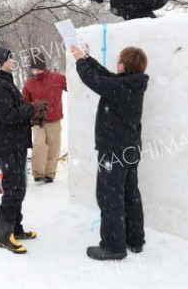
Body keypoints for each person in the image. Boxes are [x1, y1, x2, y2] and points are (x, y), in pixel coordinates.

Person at [70, 44, 148, 261]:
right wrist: (87, 57)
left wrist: (79, 60)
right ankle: (135, 239)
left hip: (113, 151)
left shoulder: (119, 87)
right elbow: (105, 76)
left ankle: (113, 247)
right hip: (130, 149)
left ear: (124, 65)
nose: (117, 63)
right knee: (130, 193)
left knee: (110, 197)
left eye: (120, 60)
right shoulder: (132, 83)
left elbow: (94, 80)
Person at [0, 46, 47, 254]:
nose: (13, 60)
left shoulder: (4, 82)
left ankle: (15, 229)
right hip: (8, 145)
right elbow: (7, 116)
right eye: (10, 58)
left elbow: (11, 114)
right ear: (0, 61)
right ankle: (4, 236)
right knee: (13, 189)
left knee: (19, 188)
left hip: (15, 143)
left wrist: (32, 114)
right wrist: (32, 107)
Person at [22, 55, 67, 183]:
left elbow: (73, 88)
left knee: (54, 147)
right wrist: (30, 114)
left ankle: (50, 174)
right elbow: (25, 102)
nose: (35, 72)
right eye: (33, 70)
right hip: (38, 121)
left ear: (43, 67)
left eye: (38, 69)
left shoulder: (57, 78)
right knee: (39, 146)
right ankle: (38, 173)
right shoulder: (29, 84)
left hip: (54, 118)